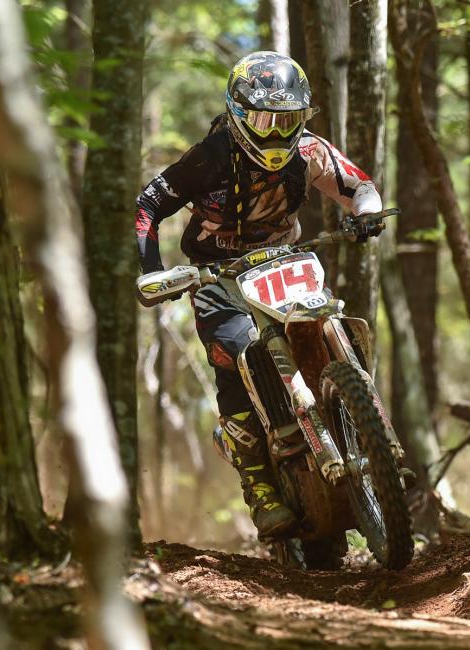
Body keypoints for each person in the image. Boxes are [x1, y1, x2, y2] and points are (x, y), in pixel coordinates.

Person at [134, 51, 382, 538]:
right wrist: (153, 271)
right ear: (239, 113)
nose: (275, 133)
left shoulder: (309, 152)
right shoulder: (209, 156)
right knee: (234, 354)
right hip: (216, 274)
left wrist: (366, 212)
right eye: (264, 120)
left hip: (285, 261)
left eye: (287, 120)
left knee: (330, 321)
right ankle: (260, 487)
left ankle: (363, 424)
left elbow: (359, 186)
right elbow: (148, 205)